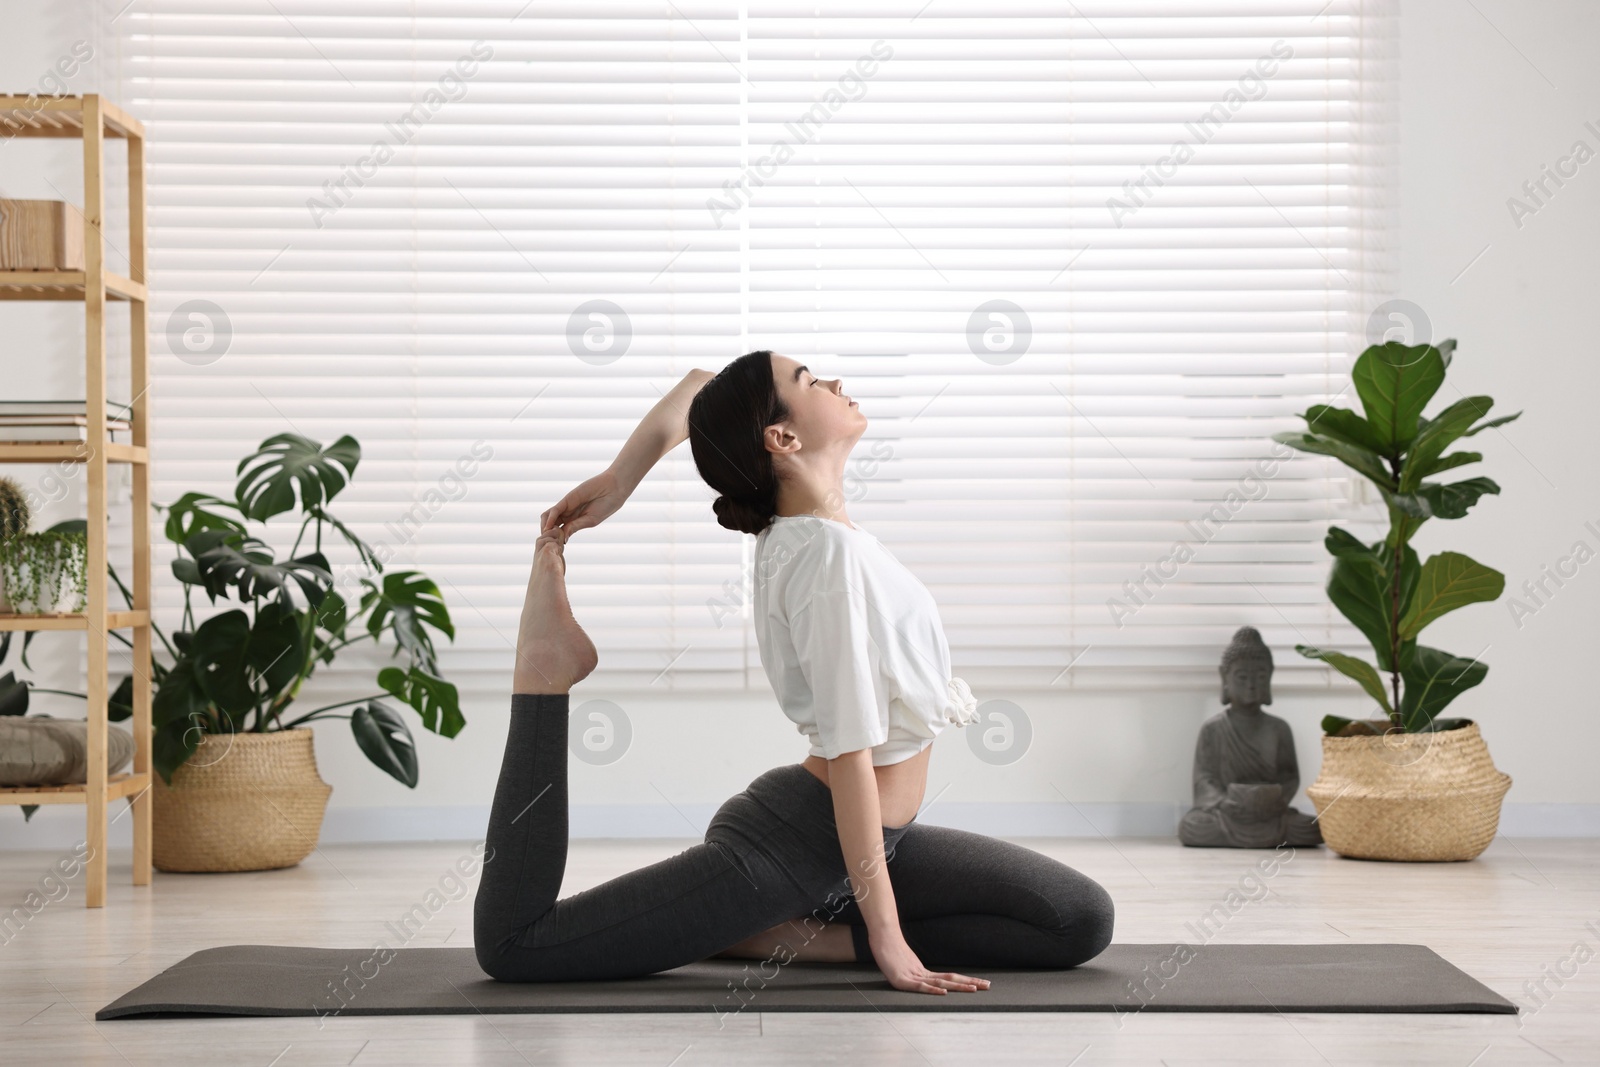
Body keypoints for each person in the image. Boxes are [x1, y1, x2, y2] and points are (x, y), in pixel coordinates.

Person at [473, 351, 1115, 994]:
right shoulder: (822, 560)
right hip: (790, 849)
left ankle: (782, 934)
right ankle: (543, 669)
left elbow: (701, 386)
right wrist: (887, 944)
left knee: (1076, 919)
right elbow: (849, 753)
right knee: (517, 946)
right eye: (811, 380)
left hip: (870, 837)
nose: (836, 381)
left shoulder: (813, 533)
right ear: (781, 437)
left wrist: (620, 479)